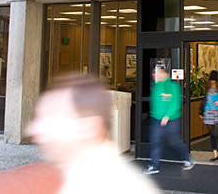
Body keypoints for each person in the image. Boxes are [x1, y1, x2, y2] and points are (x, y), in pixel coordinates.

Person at [29, 75, 160, 193]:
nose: (34, 129)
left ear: (90, 125)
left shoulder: (117, 186)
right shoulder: (79, 177)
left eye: (53, 117)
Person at [144, 66, 195, 175]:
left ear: (164, 74)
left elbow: (176, 102)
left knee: (175, 141)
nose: (154, 75)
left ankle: (187, 158)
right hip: (157, 119)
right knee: (155, 142)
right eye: (153, 73)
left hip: (172, 119)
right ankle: (154, 165)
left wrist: (167, 116)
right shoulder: (155, 87)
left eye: (156, 73)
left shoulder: (173, 87)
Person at [199, 70, 218, 161]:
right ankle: (215, 154)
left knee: (216, 133)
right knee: (211, 134)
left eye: (213, 80)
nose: (212, 82)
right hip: (208, 112)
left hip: (217, 112)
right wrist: (201, 112)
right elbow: (205, 100)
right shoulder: (208, 87)